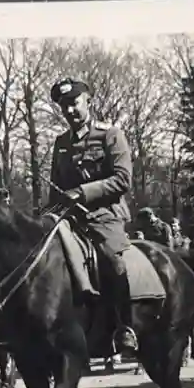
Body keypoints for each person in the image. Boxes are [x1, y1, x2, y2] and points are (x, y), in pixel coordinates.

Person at [47, 77, 138, 354]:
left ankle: (125, 327)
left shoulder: (110, 135)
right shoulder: (61, 143)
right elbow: (56, 189)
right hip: (70, 218)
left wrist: (83, 192)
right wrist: (50, 213)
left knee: (113, 262)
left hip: (105, 215)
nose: (70, 111)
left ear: (89, 101)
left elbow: (123, 180)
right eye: (65, 107)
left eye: (74, 103)